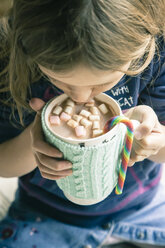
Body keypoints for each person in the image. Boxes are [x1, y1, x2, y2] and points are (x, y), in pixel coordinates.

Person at [0, 0, 165, 247]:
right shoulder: (10, 54)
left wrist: (153, 141)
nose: (79, 98)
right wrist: (32, 145)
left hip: (142, 207)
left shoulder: (157, 53)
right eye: (59, 81)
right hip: (46, 215)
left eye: (100, 85)